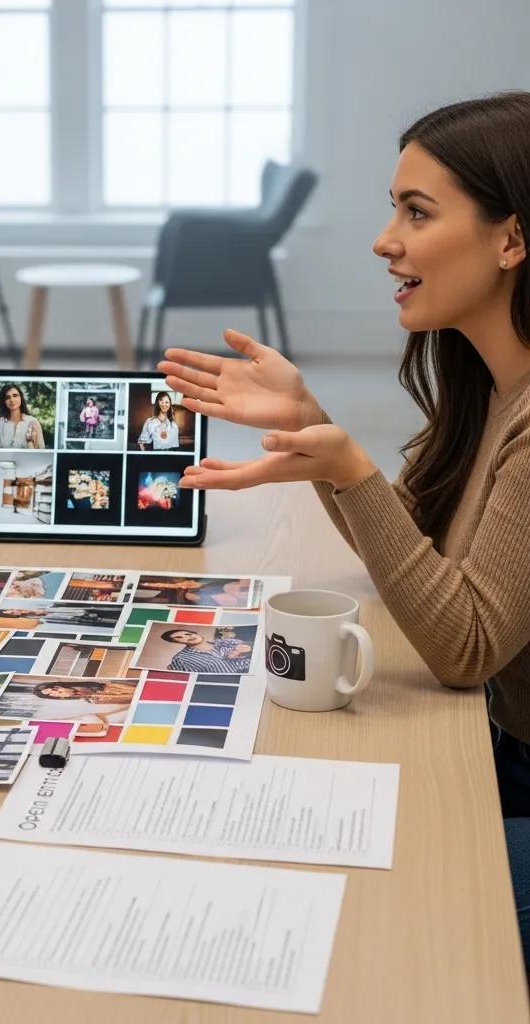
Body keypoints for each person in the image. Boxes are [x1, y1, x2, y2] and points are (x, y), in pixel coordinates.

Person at [158, 93, 530, 970]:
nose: (382, 239)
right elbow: (417, 558)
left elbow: (464, 643)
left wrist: (348, 468)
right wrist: (315, 427)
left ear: (511, 240)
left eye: (416, 212)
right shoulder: (488, 389)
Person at [30, 679, 136, 734]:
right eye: (50, 694)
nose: (57, 692)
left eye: (54, 689)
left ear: (58, 685)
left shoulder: (100, 687)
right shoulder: (83, 703)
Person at [160, 629, 252, 674]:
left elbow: (252, 650)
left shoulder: (226, 641)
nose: (188, 637)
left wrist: (241, 650)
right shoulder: (181, 659)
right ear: (176, 642)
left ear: (195, 633)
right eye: (179, 638)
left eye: (188, 634)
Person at [0, 383, 46, 448]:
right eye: (7, 397)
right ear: (4, 401)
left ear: (21, 398)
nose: (12, 400)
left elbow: (41, 450)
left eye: (15, 395)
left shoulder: (33, 422)